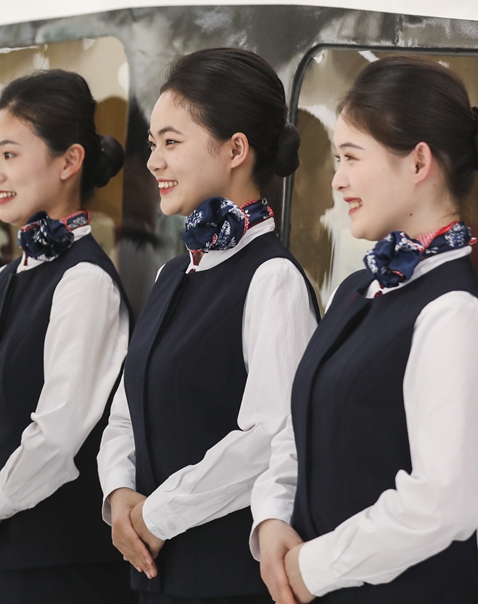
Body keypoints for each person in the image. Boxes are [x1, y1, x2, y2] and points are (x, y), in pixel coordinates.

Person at [252, 56, 478, 603]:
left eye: (351, 157)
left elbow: (442, 503)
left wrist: (313, 567)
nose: (337, 179)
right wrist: (272, 517)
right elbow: (299, 428)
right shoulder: (357, 289)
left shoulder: (453, 315)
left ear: (418, 162)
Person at [99, 48, 317, 604]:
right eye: (153, 145)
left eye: (171, 143)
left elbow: (269, 439)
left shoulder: (272, 278)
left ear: (236, 149)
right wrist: (118, 492)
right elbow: (125, 411)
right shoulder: (174, 273)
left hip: (225, 582)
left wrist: (156, 515)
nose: (153, 162)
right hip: (155, 572)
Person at [0, 70, 132, 604]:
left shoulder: (86, 280)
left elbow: (59, 434)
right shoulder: (6, 278)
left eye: (10, 155)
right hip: (1, 553)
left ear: (69, 161)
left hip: (63, 566)